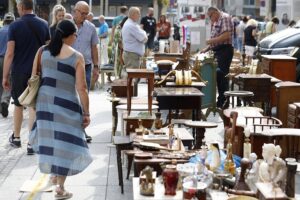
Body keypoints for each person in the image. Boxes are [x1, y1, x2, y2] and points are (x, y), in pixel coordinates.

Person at [29, 19, 93, 199]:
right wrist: (86, 112)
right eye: (76, 35)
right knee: (66, 142)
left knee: (51, 138)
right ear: (70, 35)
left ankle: (54, 175)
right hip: (66, 103)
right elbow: (82, 88)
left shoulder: (42, 51)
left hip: (45, 102)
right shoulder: (76, 56)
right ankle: (60, 187)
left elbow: (34, 78)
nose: (76, 38)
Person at [2, 0, 50, 154]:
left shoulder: (15, 26)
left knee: (17, 104)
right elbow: (48, 50)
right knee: (34, 106)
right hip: (38, 72)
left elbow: (10, 53)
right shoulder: (44, 24)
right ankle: (31, 142)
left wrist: (5, 76)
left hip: (19, 72)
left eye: (17, 7)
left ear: (22, 7)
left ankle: (16, 138)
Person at [72, 1, 99, 143]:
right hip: (68, 66)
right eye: (82, 13)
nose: (84, 16)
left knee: (83, 95)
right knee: (70, 97)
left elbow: (94, 48)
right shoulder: (66, 25)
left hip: (86, 66)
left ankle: (82, 130)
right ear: (75, 11)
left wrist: (96, 66)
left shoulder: (91, 28)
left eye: (86, 14)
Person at [200, 7, 233, 108]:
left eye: (210, 17)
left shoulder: (224, 18)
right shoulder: (217, 20)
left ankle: (224, 102)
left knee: (222, 76)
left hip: (224, 51)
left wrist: (210, 41)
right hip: (218, 51)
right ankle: (220, 100)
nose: (211, 19)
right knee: (218, 76)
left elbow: (226, 36)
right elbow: (216, 39)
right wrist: (206, 49)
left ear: (215, 13)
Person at [122, 7, 148, 76]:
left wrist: (143, 32)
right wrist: (144, 32)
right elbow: (144, 38)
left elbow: (143, 35)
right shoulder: (131, 25)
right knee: (133, 78)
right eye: (138, 13)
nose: (139, 15)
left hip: (131, 55)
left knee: (133, 78)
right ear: (133, 14)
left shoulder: (131, 24)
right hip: (132, 56)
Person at [0, 12, 15, 118]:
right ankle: (4, 101)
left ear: (4, 21)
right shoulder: (13, 31)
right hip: (8, 59)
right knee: (7, 81)